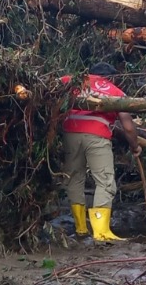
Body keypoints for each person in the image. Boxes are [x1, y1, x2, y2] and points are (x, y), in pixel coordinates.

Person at [59, 62, 141, 243]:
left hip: (70, 133)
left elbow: (46, 86)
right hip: (98, 136)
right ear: (111, 77)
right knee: (104, 181)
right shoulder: (116, 92)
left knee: (74, 178)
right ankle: (101, 232)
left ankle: (81, 228)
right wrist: (135, 146)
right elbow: (128, 127)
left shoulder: (71, 81)